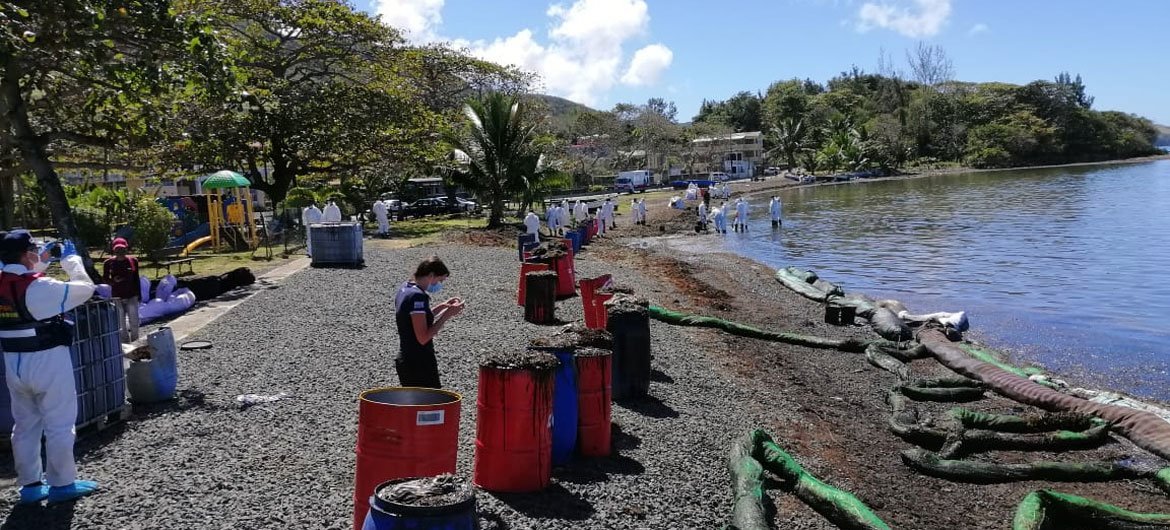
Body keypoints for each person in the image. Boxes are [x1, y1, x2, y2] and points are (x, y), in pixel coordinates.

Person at [0, 232, 100, 504]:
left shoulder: (6, 284)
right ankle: (62, 483)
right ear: (26, 254)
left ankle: (30, 486)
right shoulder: (41, 288)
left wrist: (40, 263)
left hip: (13, 363)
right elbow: (84, 288)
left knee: (24, 426)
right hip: (46, 361)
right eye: (34, 250)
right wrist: (72, 261)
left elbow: (19, 282)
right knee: (58, 423)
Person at [394, 257, 464, 388]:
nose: (440, 284)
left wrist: (443, 306)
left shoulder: (406, 288)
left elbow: (417, 318)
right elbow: (423, 337)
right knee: (428, 406)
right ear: (431, 275)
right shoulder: (418, 297)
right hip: (418, 363)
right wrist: (447, 316)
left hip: (407, 358)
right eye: (440, 280)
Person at [102, 237, 140, 343]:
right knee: (120, 322)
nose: (120, 253)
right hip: (117, 296)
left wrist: (139, 295)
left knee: (134, 320)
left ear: (126, 249)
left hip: (132, 295)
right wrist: (113, 281)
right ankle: (125, 344)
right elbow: (105, 278)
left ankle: (136, 342)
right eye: (117, 250)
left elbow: (136, 278)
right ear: (114, 250)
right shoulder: (108, 263)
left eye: (122, 250)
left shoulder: (133, 261)